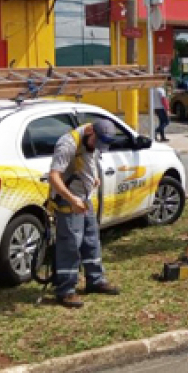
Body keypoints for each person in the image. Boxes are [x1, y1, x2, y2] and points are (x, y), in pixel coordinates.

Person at [48, 119, 122, 309]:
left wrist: (94, 177)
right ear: (90, 131)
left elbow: (91, 159)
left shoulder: (93, 141)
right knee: (71, 243)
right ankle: (65, 290)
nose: (96, 147)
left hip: (86, 199)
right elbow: (54, 176)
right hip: (69, 200)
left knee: (91, 239)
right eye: (95, 143)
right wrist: (73, 200)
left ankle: (95, 280)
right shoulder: (68, 144)